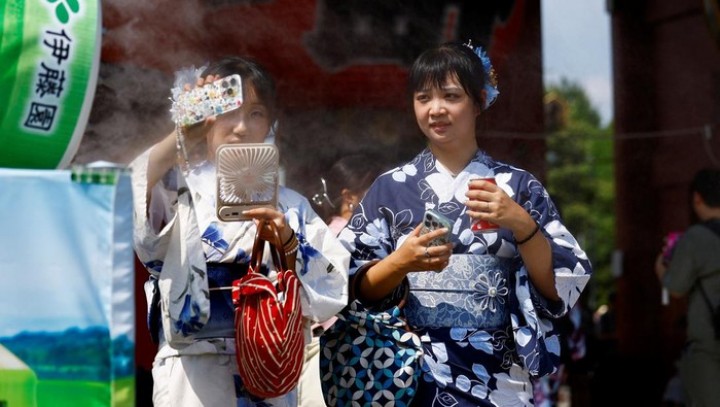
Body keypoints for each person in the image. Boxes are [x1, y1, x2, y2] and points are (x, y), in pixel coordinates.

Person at [335, 41, 592, 406]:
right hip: (411, 376)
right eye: (423, 98)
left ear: (479, 101)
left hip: (497, 378)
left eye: (451, 96)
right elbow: (350, 286)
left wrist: (522, 224)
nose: (436, 110)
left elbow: (560, 284)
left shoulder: (519, 187)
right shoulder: (389, 189)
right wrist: (400, 261)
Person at [130, 56, 349, 406]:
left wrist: (290, 245)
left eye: (256, 113)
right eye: (229, 111)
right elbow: (137, 193)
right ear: (208, 118)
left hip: (269, 366)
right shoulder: (180, 192)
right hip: (193, 371)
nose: (241, 127)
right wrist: (181, 135)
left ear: (271, 123)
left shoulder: (291, 205)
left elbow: (333, 289)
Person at [298, 153, 384, 406]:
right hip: (342, 354)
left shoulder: (326, 233)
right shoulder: (347, 238)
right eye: (377, 191)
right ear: (350, 198)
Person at [655, 167, 720, 407]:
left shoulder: (696, 238)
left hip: (709, 345)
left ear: (697, 198)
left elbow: (676, 288)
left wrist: (661, 268)